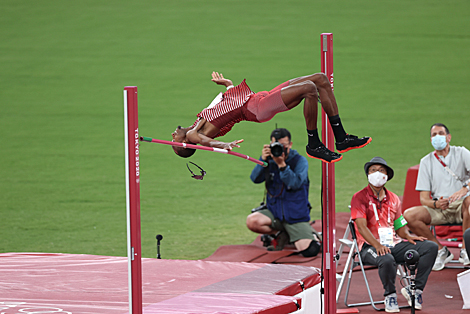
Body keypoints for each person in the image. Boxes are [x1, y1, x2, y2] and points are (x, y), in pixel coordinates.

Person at [171, 71, 372, 163]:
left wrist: (228, 85)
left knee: (320, 79)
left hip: (258, 98)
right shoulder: (194, 135)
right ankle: (314, 144)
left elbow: (227, 105)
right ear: (184, 145)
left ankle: (342, 138)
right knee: (309, 89)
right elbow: (204, 141)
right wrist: (224, 145)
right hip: (257, 109)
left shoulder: (199, 121)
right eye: (174, 139)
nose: (173, 133)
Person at [351, 156, 438, 312]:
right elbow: (361, 227)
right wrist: (377, 245)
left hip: (393, 243)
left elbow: (399, 225)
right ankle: (390, 295)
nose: (377, 173)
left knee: (430, 247)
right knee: (386, 258)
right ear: (368, 175)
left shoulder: (394, 199)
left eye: (381, 170)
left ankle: (415, 291)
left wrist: (408, 236)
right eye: (373, 170)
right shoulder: (359, 198)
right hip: (369, 247)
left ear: (387, 176)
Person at [403, 123, 470, 271]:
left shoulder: (462, 153)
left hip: (463, 206)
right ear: (430, 140)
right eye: (434, 135)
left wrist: (465, 189)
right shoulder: (426, 162)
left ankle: (466, 250)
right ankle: (440, 250)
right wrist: (436, 204)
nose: (437, 137)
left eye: (440, 133)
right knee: (408, 216)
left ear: (449, 137)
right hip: (441, 208)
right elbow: (423, 198)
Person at [246, 128, 321, 257]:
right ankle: (280, 234)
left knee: (310, 250)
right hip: (274, 212)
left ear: (290, 145)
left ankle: (309, 233)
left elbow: (295, 183)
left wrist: (282, 166)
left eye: (283, 146)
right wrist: (262, 161)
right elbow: (255, 179)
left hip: (295, 215)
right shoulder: (269, 160)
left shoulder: (299, 161)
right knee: (252, 221)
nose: (280, 149)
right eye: (276, 145)